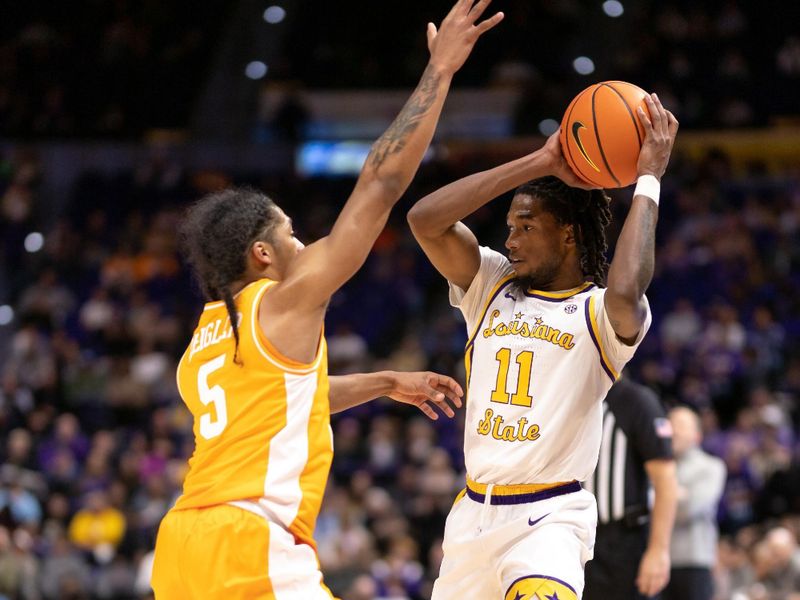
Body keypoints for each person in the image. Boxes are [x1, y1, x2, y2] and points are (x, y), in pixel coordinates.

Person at [150, 2, 505, 598]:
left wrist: (384, 381)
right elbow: (381, 182)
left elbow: (287, 401)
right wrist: (439, 72)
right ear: (263, 255)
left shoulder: (207, 337)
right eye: (289, 232)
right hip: (251, 541)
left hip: (181, 548)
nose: (302, 241)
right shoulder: (284, 301)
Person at [407, 93, 679, 599]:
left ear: (569, 234)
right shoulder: (491, 283)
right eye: (509, 227)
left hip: (548, 519)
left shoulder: (599, 314)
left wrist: (649, 179)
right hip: (471, 518)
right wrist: (541, 161)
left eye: (526, 227)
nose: (510, 240)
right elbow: (424, 219)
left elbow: (626, 290)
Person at [583, 377, 678, 600]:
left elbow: (666, 481)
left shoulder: (638, 401)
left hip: (625, 540)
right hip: (576, 537)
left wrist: (659, 551)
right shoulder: (572, 398)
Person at [662, 406, 726, 600]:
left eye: (680, 425)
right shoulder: (656, 467)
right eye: (670, 424)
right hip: (659, 559)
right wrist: (677, 495)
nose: (673, 430)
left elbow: (689, 509)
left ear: (697, 435)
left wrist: (661, 496)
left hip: (694, 560)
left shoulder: (711, 466)